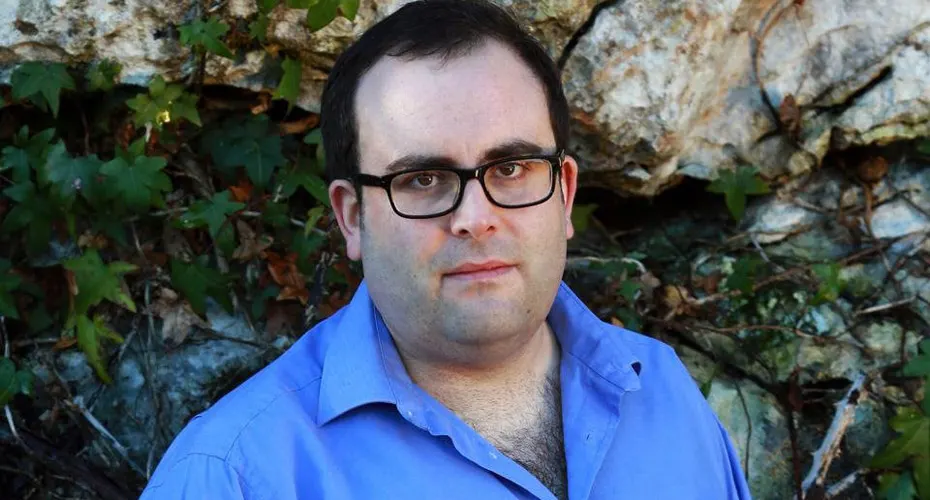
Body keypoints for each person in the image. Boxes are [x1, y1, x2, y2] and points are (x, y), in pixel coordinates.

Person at [141, 0, 753, 498]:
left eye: (510, 168)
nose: (475, 219)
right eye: (423, 179)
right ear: (352, 218)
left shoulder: (663, 393)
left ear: (564, 194)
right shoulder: (235, 476)